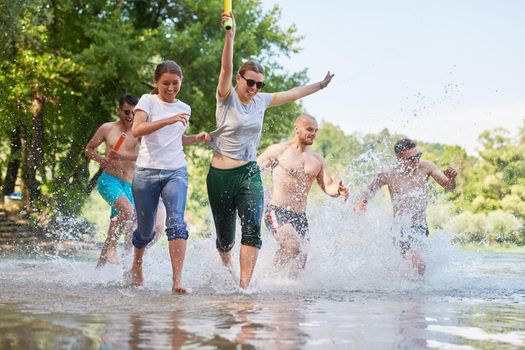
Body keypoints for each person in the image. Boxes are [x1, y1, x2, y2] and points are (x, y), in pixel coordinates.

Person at [206, 12, 335, 289]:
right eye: (250, 82)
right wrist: (230, 35)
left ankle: (244, 288)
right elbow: (225, 69)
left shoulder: (262, 101)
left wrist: (320, 86)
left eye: (259, 84)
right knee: (226, 238)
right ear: (239, 79)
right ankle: (225, 262)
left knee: (252, 228)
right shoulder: (226, 97)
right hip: (220, 175)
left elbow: (294, 93)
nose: (254, 88)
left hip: (248, 172)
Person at [129, 60, 209, 294]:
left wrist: (196, 138)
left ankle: (177, 281)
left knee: (176, 223)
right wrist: (168, 119)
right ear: (156, 82)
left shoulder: (185, 107)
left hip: (176, 170)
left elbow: (176, 139)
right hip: (146, 172)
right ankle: (137, 262)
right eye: (166, 83)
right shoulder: (148, 100)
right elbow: (137, 130)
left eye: (176, 83)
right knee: (147, 231)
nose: (171, 88)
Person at [257, 114, 349, 273]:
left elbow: (328, 186)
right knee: (293, 246)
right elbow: (252, 171)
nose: (313, 133)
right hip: (277, 211)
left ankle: (290, 292)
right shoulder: (278, 150)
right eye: (309, 129)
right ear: (297, 129)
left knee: (301, 262)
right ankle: (268, 276)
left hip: (300, 216)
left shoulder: (317, 159)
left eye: (316, 131)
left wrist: (339, 191)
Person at [357, 138, 458, 275]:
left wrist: (451, 179)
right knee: (417, 265)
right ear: (399, 158)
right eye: (411, 159)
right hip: (400, 228)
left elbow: (449, 187)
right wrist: (362, 203)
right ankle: (410, 294)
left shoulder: (427, 166)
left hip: (421, 227)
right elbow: (369, 190)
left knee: (415, 267)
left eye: (418, 156)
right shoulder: (388, 173)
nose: (416, 161)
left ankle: (410, 293)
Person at [84, 94, 140, 268]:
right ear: (119, 110)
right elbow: (88, 149)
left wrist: (122, 155)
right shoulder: (107, 128)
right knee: (128, 213)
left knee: (126, 229)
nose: (130, 116)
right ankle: (112, 250)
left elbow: (147, 156)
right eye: (126, 112)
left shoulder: (140, 132)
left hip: (131, 185)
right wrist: (101, 160)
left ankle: (101, 269)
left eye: (134, 113)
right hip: (109, 181)